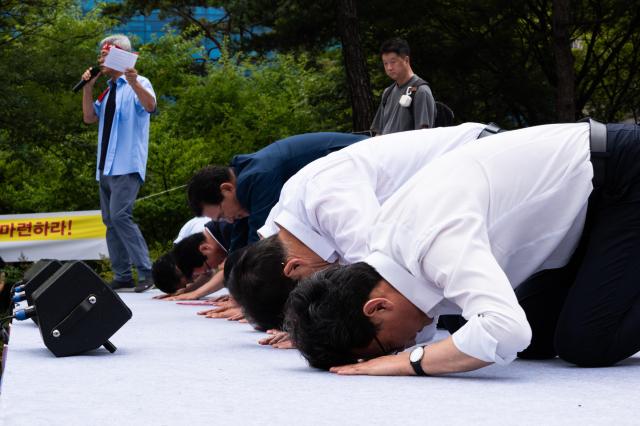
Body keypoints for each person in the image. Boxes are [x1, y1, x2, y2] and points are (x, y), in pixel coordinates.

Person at [285, 121, 640, 376]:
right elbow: (507, 337)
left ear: (377, 306)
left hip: (623, 178)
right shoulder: (389, 250)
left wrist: (409, 364)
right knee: (534, 341)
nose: (401, 348)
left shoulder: (433, 240)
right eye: (393, 351)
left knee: (588, 341)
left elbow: (505, 329)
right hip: (582, 213)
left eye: (388, 347)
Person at [228, 123, 495, 333]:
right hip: (465, 196)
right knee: (456, 318)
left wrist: (320, 331)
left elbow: (381, 276)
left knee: (482, 320)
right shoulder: (286, 221)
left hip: (488, 161)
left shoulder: (328, 199)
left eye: (312, 292)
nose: (323, 291)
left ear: (294, 267)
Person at [187, 132, 369, 253]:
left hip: (367, 164)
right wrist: (234, 291)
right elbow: (238, 246)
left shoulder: (257, 177)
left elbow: (261, 246)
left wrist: (245, 301)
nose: (230, 220)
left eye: (222, 215)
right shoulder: (243, 182)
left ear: (226, 188)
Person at [81, 34, 156, 292]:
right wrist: (88, 87)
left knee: (121, 215)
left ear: (119, 56)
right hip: (105, 167)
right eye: (101, 55)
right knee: (110, 220)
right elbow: (90, 117)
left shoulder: (139, 82)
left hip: (126, 164)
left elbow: (150, 106)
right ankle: (122, 275)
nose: (100, 59)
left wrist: (134, 82)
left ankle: (146, 271)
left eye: (105, 54)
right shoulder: (109, 89)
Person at [370, 38, 436, 135]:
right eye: (385, 63)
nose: (389, 68)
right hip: (385, 148)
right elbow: (378, 133)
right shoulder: (387, 92)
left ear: (406, 60)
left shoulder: (420, 91)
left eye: (393, 62)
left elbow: (423, 135)